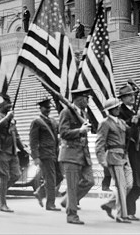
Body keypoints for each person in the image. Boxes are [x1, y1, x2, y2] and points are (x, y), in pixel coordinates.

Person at [58, 87, 94, 225]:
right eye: (86, 98)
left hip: (83, 154)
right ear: (79, 99)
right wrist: (80, 130)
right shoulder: (66, 112)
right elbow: (63, 133)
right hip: (70, 154)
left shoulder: (83, 114)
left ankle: (68, 201)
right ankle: (72, 215)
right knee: (72, 186)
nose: (88, 101)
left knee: (89, 181)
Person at [96, 98, 132, 223]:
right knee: (122, 186)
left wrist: (136, 120)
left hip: (124, 156)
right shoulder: (105, 123)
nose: (118, 109)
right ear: (110, 110)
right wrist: (102, 160)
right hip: (113, 156)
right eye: (115, 108)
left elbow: (131, 131)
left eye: (118, 107)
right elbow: (99, 143)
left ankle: (110, 205)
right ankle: (122, 215)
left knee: (129, 184)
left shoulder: (121, 122)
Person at [117, 84, 140, 221]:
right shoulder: (120, 112)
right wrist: (133, 120)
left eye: (133, 95)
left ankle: (119, 206)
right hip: (129, 150)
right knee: (134, 182)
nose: (132, 97)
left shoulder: (135, 110)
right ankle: (129, 211)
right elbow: (121, 128)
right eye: (129, 95)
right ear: (123, 98)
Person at [0, 96, 24, 213]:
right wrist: (7, 118)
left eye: (10, 103)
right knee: (4, 176)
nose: (9, 105)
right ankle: (2, 203)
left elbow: (16, 134)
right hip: (0, 149)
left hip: (12, 150)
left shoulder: (11, 117)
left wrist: (23, 148)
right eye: (6, 103)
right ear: (0, 104)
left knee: (16, 175)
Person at [29, 97, 62, 211]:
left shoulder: (53, 121)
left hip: (55, 153)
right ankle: (50, 204)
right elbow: (33, 141)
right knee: (51, 178)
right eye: (45, 108)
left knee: (59, 177)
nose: (48, 110)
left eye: (49, 108)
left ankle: (40, 192)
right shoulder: (36, 121)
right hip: (45, 154)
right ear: (41, 108)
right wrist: (36, 157)